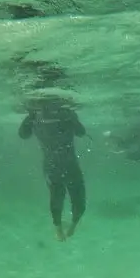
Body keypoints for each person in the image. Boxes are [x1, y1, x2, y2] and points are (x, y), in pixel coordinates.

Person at [19, 96, 88, 241]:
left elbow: (23, 135)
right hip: (69, 164)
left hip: (52, 165)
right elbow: (81, 132)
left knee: (57, 196)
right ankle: (70, 226)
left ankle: (60, 228)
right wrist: (72, 117)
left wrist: (30, 117)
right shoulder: (65, 114)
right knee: (76, 195)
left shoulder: (35, 115)